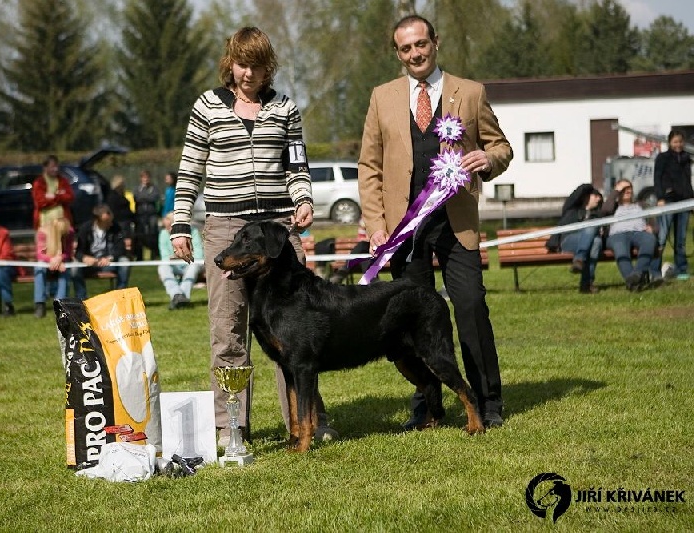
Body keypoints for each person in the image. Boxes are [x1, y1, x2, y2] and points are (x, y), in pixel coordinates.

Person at [169, 26, 336, 446]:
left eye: (257, 66)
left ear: (268, 68)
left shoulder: (286, 109)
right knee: (228, 333)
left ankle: (308, 422)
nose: (249, 73)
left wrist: (303, 200)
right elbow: (190, 170)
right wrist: (179, 223)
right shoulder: (207, 106)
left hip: (278, 233)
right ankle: (231, 429)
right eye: (242, 64)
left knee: (295, 334)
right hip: (226, 230)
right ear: (231, 63)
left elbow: (297, 166)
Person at [358, 15, 513, 429]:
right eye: (406, 48)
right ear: (398, 53)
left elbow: (501, 147)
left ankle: (487, 400)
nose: (416, 53)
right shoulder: (381, 97)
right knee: (411, 322)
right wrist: (375, 224)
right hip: (403, 231)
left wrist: (488, 159)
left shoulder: (471, 92)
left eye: (421, 44)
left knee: (471, 307)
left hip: (456, 223)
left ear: (435, 43)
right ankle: (428, 405)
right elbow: (369, 166)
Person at [601, 179, 658, 291]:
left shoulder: (641, 205)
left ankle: (636, 275)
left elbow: (654, 223)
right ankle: (633, 283)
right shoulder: (612, 206)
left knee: (650, 239)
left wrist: (653, 228)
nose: (627, 191)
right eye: (624, 189)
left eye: (629, 188)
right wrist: (616, 191)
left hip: (639, 232)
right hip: (617, 235)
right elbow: (605, 210)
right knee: (620, 249)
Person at [546, 184, 604, 294]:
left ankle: (584, 280)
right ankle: (586, 278)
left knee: (596, 242)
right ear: (586, 196)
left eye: (600, 197)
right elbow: (580, 190)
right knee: (591, 227)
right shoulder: (571, 208)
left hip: (588, 243)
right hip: (568, 240)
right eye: (596, 196)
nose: (599, 199)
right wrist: (591, 187)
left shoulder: (597, 215)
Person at [653, 129, 692, 281]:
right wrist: (660, 197)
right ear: (669, 142)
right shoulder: (662, 158)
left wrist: (691, 198)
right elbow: (657, 179)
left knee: (680, 239)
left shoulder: (686, 158)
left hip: (684, 201)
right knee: (662, 237)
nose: (678, 145)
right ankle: (655, 269)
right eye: (675, 142)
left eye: (680, 142)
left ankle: (681, 267)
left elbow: (688, 180)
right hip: (668, 201)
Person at [71, 204, 130, 300]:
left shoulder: (115, 227)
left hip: (108, 263)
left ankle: (120, 297)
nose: (110, 223)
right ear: (98, 219)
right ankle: (81, 299)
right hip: (89, 265)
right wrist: (84, 258)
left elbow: (121, 249)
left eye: (110, 219)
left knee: (124, 262)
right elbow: (78, 252)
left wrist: (110, 258)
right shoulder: (85, 228)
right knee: (74, 268)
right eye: (107, 221)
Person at [158, 213, 203, 310]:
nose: (168, 229)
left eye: (171, 226)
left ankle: (180, 296)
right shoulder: (163, 234)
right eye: (167, 227)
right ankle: (177, 294)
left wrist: (179, 256)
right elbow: (165, 257)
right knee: (163, 267)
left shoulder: (193, 231)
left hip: (190, 263)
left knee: (193, 266)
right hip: (175, 264)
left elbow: (199, 255)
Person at [33, 217, 74, 318]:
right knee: (39, 268)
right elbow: (40, 253)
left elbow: (68, 252)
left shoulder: (70, 232)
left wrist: (60, 259)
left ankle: (60, 303)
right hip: (47, 262)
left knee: (65, 270)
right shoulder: (42, 233)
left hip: (61, 262)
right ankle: (40, 304)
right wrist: (51, 260)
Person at [32, 154, 74, 228]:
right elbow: (41, 202)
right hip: (44, 223)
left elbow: (70, 197)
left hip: (63, 223)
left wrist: (53, 196)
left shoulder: (63, 181)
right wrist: (59, 197)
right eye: (53, 167)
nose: (56, 169)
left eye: (57, 166)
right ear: (45, 168)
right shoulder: (39, 183)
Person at [132, 170, 161, 261]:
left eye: (147, 177)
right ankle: (139, 255)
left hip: (151, 214)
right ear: (141, 179)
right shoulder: (137, 188)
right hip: (140, 215)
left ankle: (155, 253)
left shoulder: (154, 188)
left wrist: (144, 198)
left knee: (153, 233)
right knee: (140, 234)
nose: (145, 179)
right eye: (143, 177)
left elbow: (154, 197)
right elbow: (136, 197)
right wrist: (146, 198)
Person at [106, 175, 135, 256]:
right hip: (120, 222)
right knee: (123, 240)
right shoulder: (113, 196)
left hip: (125, 222)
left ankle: (127, 254)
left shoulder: (120, 195)